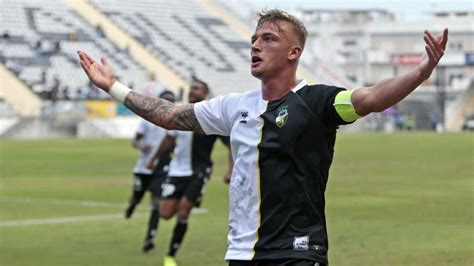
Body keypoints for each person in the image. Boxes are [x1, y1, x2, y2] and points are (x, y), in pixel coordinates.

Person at [78, 9, 448, 266]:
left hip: (297, 253)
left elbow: (370, 98)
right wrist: (114, 86)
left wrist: (421, 71)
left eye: (268, 39)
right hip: (242, 254)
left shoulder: (316, 101)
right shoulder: (234, 106)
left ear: (293, 52)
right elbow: (172, 116)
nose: (255, 45)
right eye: (254, 39)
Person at [147, 78, 233, 266]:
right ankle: (184, 201)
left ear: (205, 93)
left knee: (184, 211)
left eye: (197, 89)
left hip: (198, 171)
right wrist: (153, 158)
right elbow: (169, 139)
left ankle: (170, 255)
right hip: (177, 171)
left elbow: (231, 145)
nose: (192, 91)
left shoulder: (212, 116)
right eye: (191, 88)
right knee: (166, 213)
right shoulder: (179, 113)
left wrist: (230, 170)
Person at [124, 90, 176, 253]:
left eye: (171, 102)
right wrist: (142, 146)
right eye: (165, 101)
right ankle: (132, 204)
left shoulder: (176, 123)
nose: (168, 105)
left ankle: (149, 238)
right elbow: (135, 141)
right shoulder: (147, 121)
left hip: (161, 168)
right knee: (137, 197)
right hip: (143, 167)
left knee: (156, 203)